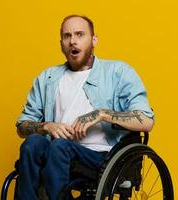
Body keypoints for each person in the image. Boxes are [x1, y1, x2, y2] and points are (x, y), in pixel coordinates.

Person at [15, 14, 154, 200]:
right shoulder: (47, 78)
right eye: (67, 36)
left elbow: (146, 120)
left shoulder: (118, 72)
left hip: (100, 157)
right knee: (32, 144)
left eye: (80, 34)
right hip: (56, 152)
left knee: (59, 147)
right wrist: (46, 126)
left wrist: (102, 114)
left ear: (94, 40)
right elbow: (22, 126)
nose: (73, 41)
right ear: (61, 43)